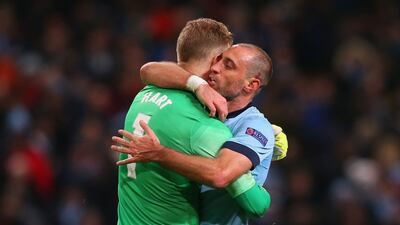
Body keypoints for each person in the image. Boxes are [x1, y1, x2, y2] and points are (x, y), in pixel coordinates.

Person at [113, 18, 272, 225]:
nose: (216, 68)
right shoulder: (204, 125)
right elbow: (257, 204)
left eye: (228, 65)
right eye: (218, 60)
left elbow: (148, 70)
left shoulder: (147, 92)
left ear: (251, 85)